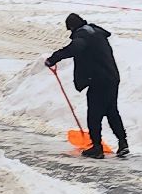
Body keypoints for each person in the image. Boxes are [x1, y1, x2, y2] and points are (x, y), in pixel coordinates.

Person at [45, 13, 126, 159]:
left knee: (94, 114)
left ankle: (97, 148)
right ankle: (123, 143)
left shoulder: (82, 35)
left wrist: (54, 58)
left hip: (98, 79)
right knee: (111, 111)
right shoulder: (95, 32)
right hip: (111, 77)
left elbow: (75, 47)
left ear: (72, 27)